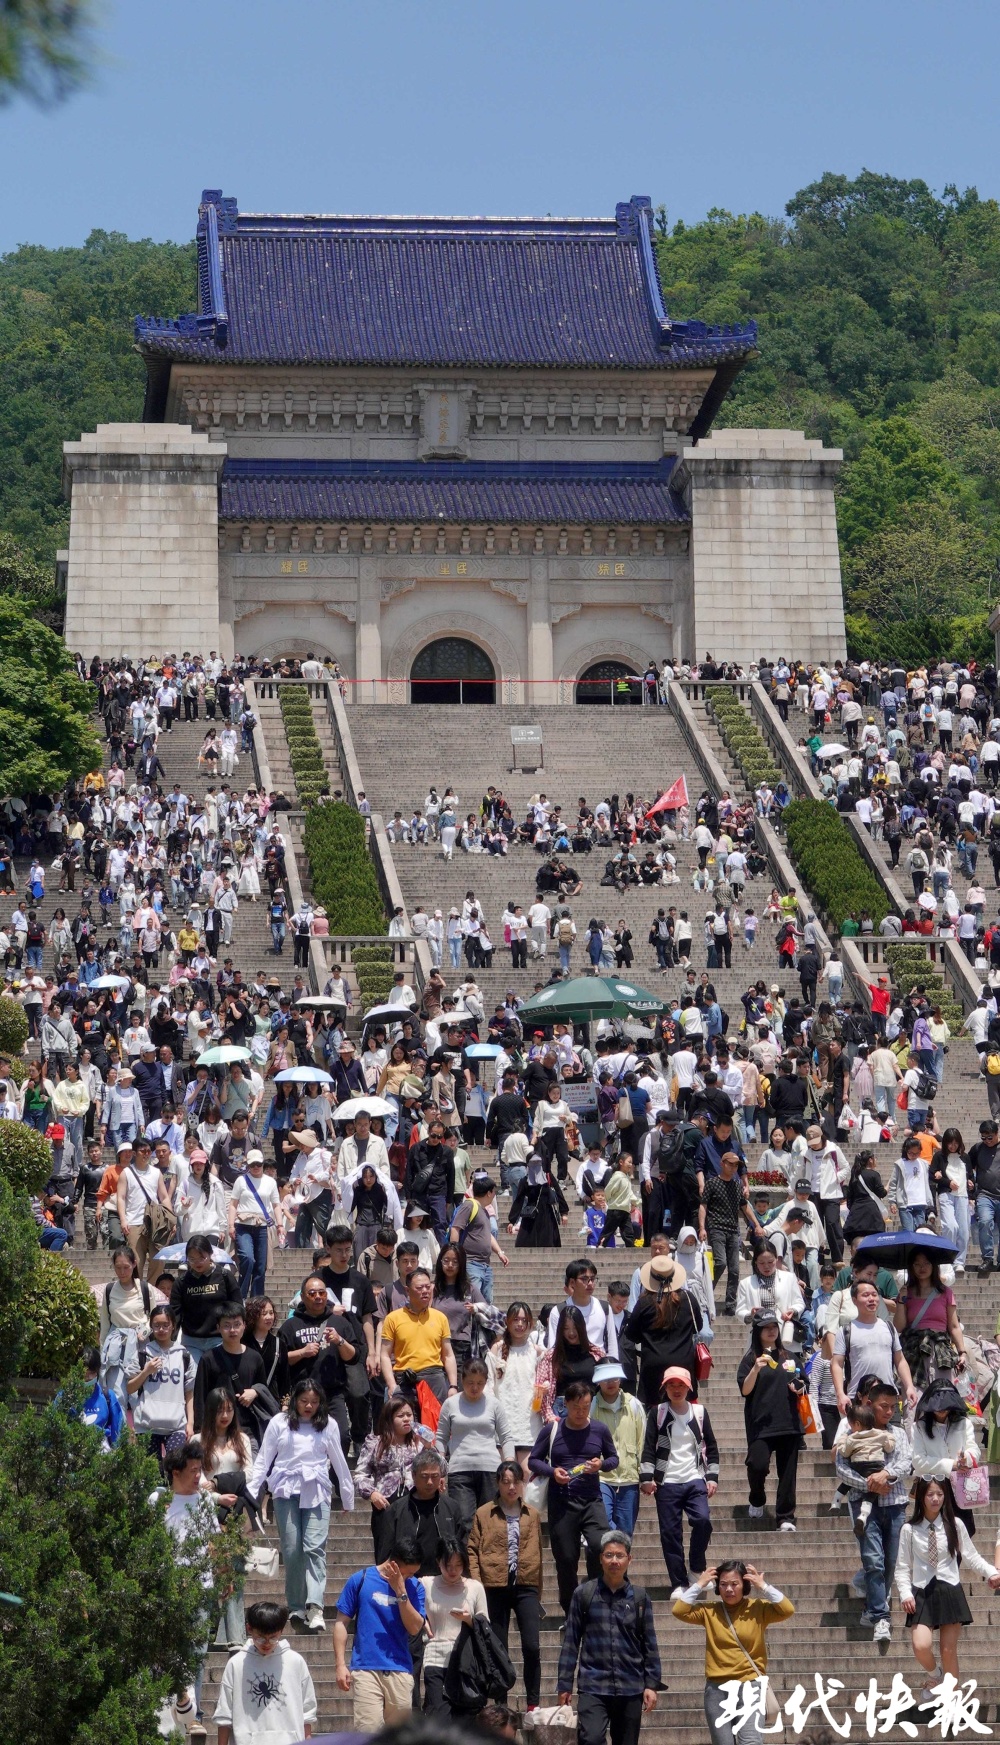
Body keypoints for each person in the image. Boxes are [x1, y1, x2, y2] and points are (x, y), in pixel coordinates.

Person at [248, 1378, 355, 1633]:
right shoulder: (279, 1423)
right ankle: (296, 1605)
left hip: (316, 1491)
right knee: (293, 1548)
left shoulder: (328, 1425)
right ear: (295, 1400)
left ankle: (315, 1607)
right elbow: (263, 1459)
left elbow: (339, 1462)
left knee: (314, 1548)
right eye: (304, 1401)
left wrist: (347, 1495)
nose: (309, 1406)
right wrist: (252, 1493)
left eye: (315, 1402)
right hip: (286, 1491)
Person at [896, 1478, 1000, 1702]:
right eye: (930, 1494)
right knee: (920, 1645)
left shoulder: (956, 1524)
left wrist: (991, 1572)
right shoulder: (909, 1529)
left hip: (950, 1589)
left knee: (948, 1650)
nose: (935, 1499)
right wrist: (905, 1593)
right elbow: (902, 1567)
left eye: (940, 1494)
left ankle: (953, 1700)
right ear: (921, 1497)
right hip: (922, 1591)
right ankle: (936, 1676)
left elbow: (971, 1556)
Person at [672, 1560, 794, 1745]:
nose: (729, 1589)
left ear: (744, 1586)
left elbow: (787, 1609)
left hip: (750, 1686)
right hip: (717, 1689)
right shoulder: (709, 1611)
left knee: (751, 1741)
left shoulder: (758, 1608)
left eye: (734, 1584)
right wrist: (699, 1584)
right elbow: (679, 1610)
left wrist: (763, 1586)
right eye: (723, 1584)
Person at [556, 1529, 661, 1745]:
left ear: (629, 1559)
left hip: (631, 1685)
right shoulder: (584, 1594)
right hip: (594, 1685)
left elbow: (649, 1644)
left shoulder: (640, 1598)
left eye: (619, 1555)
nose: (614, 1560)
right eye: (609, 1555)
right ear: (601, 1559)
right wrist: (564, 1684)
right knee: (591, 1738)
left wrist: (651, 1684)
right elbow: (571, 1642)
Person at [527, 1379, 617, 1615]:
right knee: (566, 1558)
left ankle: (596, 1600)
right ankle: (570, 1610)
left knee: (601, 1546)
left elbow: (613, 1459)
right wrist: (551, 1472)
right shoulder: (552, 1429)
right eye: (576, 1407)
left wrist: (601, 1464)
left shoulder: (599, 1429)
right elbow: (533, 1460)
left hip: (591, 1500)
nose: (581, 1412)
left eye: (586, 1407)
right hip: (562, 1501)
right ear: (565, 1404)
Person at [834, 1379, 913, 1643]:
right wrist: (869, 1482)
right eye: (884, 1406)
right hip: (862, 1503)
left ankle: (872, 1605)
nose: (889, 1412)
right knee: (873, 1561)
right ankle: (881, 1617)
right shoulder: (851, 1430)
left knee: (891, 1561)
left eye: (893, 1406)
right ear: (870, 1403)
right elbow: (841, 1467)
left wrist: (885, 1475)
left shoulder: (898, 1433)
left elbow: (905, 1462)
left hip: (895, 1503)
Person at [468, 1461, 544, 1714]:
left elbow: (538, 1553)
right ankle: (500, 1704)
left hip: (526, 1586)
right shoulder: (483, 1513)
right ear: (498, 1483)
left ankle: (533, 1702)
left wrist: (538, 1589)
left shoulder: (532, 1514)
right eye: (505, 1481)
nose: (511, 1487)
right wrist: (478, 1584)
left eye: (516, 1481)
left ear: (523, 1483)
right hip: (494, 1586)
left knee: (532, 1646)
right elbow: (472, 1550)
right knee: (498, 1648)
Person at [639, 1363, 718, 1590]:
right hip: (667, 1482)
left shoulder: (699, 1412)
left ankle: (696, 1567)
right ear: (665, 1388)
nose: (676, 1389)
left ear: (689, 1387)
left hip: (694, 1478)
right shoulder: (658, 1412)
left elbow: (711, 1446)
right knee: (670, 1534)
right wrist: (647, 1477)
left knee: (703, 1521)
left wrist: (712, 1477)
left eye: (681, 1384)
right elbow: (648, 1447)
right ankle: (679, 1583)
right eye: (671, 1384)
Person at [333, 1541, 427, 1730]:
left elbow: (415, 1628)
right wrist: (340, 1665)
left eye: (413, 1573)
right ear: (394, 1564)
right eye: (407, 1572)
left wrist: (401, 1590)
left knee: (400, 1737)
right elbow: (341, 1623)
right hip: (366, 1667)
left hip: (400, 1668)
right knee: (368, 1732)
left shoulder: (415, 1587)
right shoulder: (361, 1579)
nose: (410, 1577)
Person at [736, 1311, 806, 1532]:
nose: (771, 1330)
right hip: (761, 1424)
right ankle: (757, 1497)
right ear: (758, 1331)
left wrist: (800, 1386)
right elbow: (745, 1390)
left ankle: (785, 1517)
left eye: (774, 1326)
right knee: (757, 1464)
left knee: (787, 1473)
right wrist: (756, 1368)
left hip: (789, 1423)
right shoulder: (750, 1359)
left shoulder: (791, 1357)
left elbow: (805, 1382)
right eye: (766, 1327)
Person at [215, 1599, 317, 1745]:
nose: (267, 1643)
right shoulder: (236, 1664)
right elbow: (224, 1714)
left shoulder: (296, 1662)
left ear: (281, 1631)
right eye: (261, 1638)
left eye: (273, 1638)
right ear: (249, 1629)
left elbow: (307, 1711)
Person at [434, 1357, 515, 1536]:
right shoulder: (450, 1404)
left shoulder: (494, 1404)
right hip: (459, 1470)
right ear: (462, 1381)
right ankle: (467, 1563)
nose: (475, 1387)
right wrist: (439, 1468)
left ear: (486, 1382)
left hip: (490, 1469)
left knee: (491, 1522)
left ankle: (489, 1563)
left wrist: (509, 1463)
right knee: (464, 1522)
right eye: (470, 1382)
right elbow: (440, 1437)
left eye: (480, 1383)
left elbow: (506, 1437)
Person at [419, 1536, 489, 1718]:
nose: (453, 1570)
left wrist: (469, 1619)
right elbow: (407, 1604)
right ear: (438, 1562)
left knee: (465, 1720)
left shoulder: (475, 1587)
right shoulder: (426, 1584)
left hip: (465, 1660)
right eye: (447, 1565)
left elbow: (485, 1626)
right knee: (440, 1718)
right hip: (435, 1656)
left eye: (458, 1565)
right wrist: (422, 1620)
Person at [623, 1254, 700, 1407]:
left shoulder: (644, 1302)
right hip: (682, 1363)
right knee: (684, 1412)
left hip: (653, 1364)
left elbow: (631, 1334)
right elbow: (698, 1326)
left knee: (654, 1416)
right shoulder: (689, 1298)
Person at [832, 1280, 918, 1412]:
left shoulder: (889, 1327)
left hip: (888, 1399)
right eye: (865, 1295)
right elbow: (837, 1364)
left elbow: (900, 1360)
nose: (871, 1299)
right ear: (854, 1300)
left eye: (874, 1294)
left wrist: (909, 1386)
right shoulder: (846, 1331)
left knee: (891, 1433)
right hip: (859, 1399)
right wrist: (840, 1394)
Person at [378, 1265, 458, 1408]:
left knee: (435, 1428)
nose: (425, 1291)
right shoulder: (393, 1318)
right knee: (405, 1426)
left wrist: (453, 1385)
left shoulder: (440, 1318)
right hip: (405, 1380)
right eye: (419, 1288)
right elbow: (384, 1355)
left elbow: (448, 1355)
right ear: (408, 1291)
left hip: (435, 1378)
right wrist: (392, 1385)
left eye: (428, 1287)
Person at [126, 1302, 196, 1459]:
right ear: (151, 1326)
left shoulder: (184, 1355)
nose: (161, 1329)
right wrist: (146, 1372)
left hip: (176, 1426)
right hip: (146, 1426)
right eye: (156, 1325)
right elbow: (129, 1388)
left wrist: (190, 1423)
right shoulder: (143, 1354)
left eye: (165, 1325)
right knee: (152, 1476)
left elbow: (189, 1392)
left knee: (175, 1472)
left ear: (173, 1326)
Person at [699, 1150, 765, 1316]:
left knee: (735, 1269)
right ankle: (706, 1294)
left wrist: (756, 1224)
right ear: (722, 1164)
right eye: (731, 1164)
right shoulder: (712, 1183)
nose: (734, 1167)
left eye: (736, 1165)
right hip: (716, 1228)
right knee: (720, 1262)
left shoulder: (737, 1185)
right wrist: (702, 1227)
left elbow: (745, 1207)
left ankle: (731, 1304)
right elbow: (703, 1205)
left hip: (733, 1230)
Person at [354, 1396, 422, 1555]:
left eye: (409, 1415)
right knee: (386, 1553)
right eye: (400, 1416)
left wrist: (428, 1446)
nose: (406, 1419)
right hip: (385, 1503)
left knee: (413, 1554)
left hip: (415, 1500)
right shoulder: (375, 1443)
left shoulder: (419, 1443)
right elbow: (360, 1474)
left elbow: (442, 1468)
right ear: (389, 1419)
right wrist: (372, 1493)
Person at [893, 1248, 967, 1391]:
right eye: (917, 1264)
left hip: (940, 1351)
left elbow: (954, 1326)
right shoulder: (905, 1292)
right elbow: (899, 1327)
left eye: (926, 1263)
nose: (922, 1268)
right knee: (913, 1402)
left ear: (933, 1266)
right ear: (911, 1267)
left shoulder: (946, 1292)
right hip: (914, 1351)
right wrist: (901, 1301)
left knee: (941, 1399)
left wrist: (962, 1352)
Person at [590, 1360, 646, 1537]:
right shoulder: (591, 1406)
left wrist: (644, 1475)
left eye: (614, 1378)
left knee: (626, 1532)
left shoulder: (634, 1405)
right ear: (598, 1381)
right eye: (605, 1378)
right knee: (603, 1524)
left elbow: (642, 1441)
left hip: (629, 1478)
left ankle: (622, 1564)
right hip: (601, 1478)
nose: (610, 1382)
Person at [486, 1302, 542, 1477]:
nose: (519, 1324)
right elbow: (488, 1383)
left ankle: (525, 1505)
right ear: (507, 1322)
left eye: (524, 1320)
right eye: (515, 1319)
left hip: (529, 1420)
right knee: (507, 1472)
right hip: (504, 1418)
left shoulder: (537, 1351)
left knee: (527, 1471)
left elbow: (545, 1381)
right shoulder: (496, 1349)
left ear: (530, 1324)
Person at [170, 1234, 244, 1365]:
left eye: (202, 1258)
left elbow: (237, 1306)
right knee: (195, 1379)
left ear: (210, 1254)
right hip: (191, 1340)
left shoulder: (224, 1276)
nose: (197, 1263)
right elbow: (175, 1313)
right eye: (192, 1259)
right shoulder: (181, 1282)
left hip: (219, 1339)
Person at [229, 1148, 284, 1299]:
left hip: (262, 1226)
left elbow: (276, 1205)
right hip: (243, 1224)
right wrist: (230, 1225)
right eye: (252, 1164)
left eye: (258, 1164)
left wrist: (280, 1225)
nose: (255, 1167)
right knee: (247, 1258)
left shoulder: (271, 1182)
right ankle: (241, 1296)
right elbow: (233, 1204)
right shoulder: (241, 1180)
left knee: (260, 1266)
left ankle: (256, 1300)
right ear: (248, 1165)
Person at [448, 1174, 508, 1303]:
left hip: (485, 1265)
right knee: (472, 1301)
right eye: (493, 1192)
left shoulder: (484, 1211)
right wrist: (454, 1253)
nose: (494, 1196)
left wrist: (499, 1252)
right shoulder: (469, 1205)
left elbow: (488, 1235)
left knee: (486, 1304)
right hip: (471, 1263)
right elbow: (455, 1228)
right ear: (488, 1193)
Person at [508, 1152, 568, 1247]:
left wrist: (564, 1213)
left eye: (538, 1162)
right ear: (528, 1164)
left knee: (547, 1242)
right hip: (531, 1214)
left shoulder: (548, 1177)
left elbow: (558, 1193)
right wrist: (512, 1220)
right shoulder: (525, 1181)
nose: (536, 1165)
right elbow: (519, 1200)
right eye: (533, 1162)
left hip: (547, 1214)